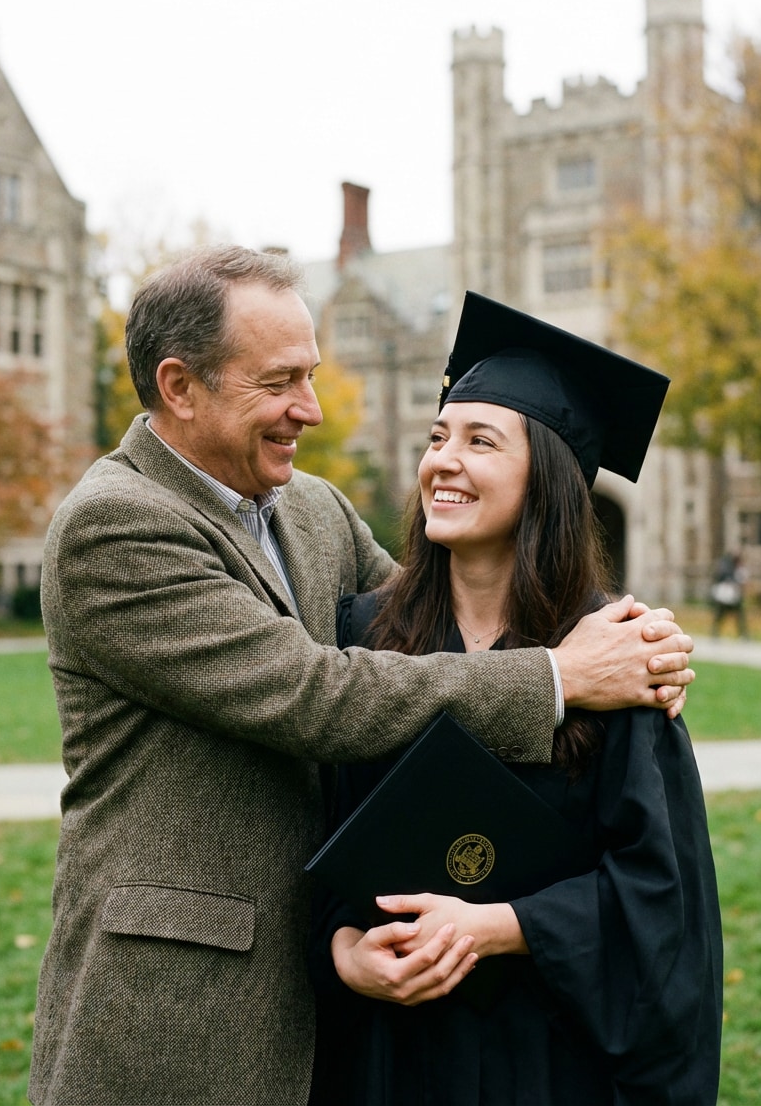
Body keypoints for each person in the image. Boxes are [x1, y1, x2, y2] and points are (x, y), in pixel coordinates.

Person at [28, 248, 696, 1106]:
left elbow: (428, 630)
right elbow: (318, 694)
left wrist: (635, 644)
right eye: (279, 382)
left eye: (309, 376)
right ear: (181, 386)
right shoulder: (115, 526)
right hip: (180, 1000)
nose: (309, 408)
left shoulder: (313, 510)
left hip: (345, 1002)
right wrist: (560, 677)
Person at [310, 293, 722, 1105]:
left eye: (481, 441)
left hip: (546, 1055)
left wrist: (501, 927)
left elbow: (660, 899)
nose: (444, 461)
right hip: (392, 1052)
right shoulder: (363, 634)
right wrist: (343, 946)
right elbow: (317, 837)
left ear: (547, 479)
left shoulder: (615, 656)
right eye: (438, 438)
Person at [711, 551, 750, 638]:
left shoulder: (737, 570)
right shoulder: (730, 570)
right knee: (722, 615)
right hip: (727, 598)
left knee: (738, 616)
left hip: (733, 598)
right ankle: (715, 632)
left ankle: (743, 634)